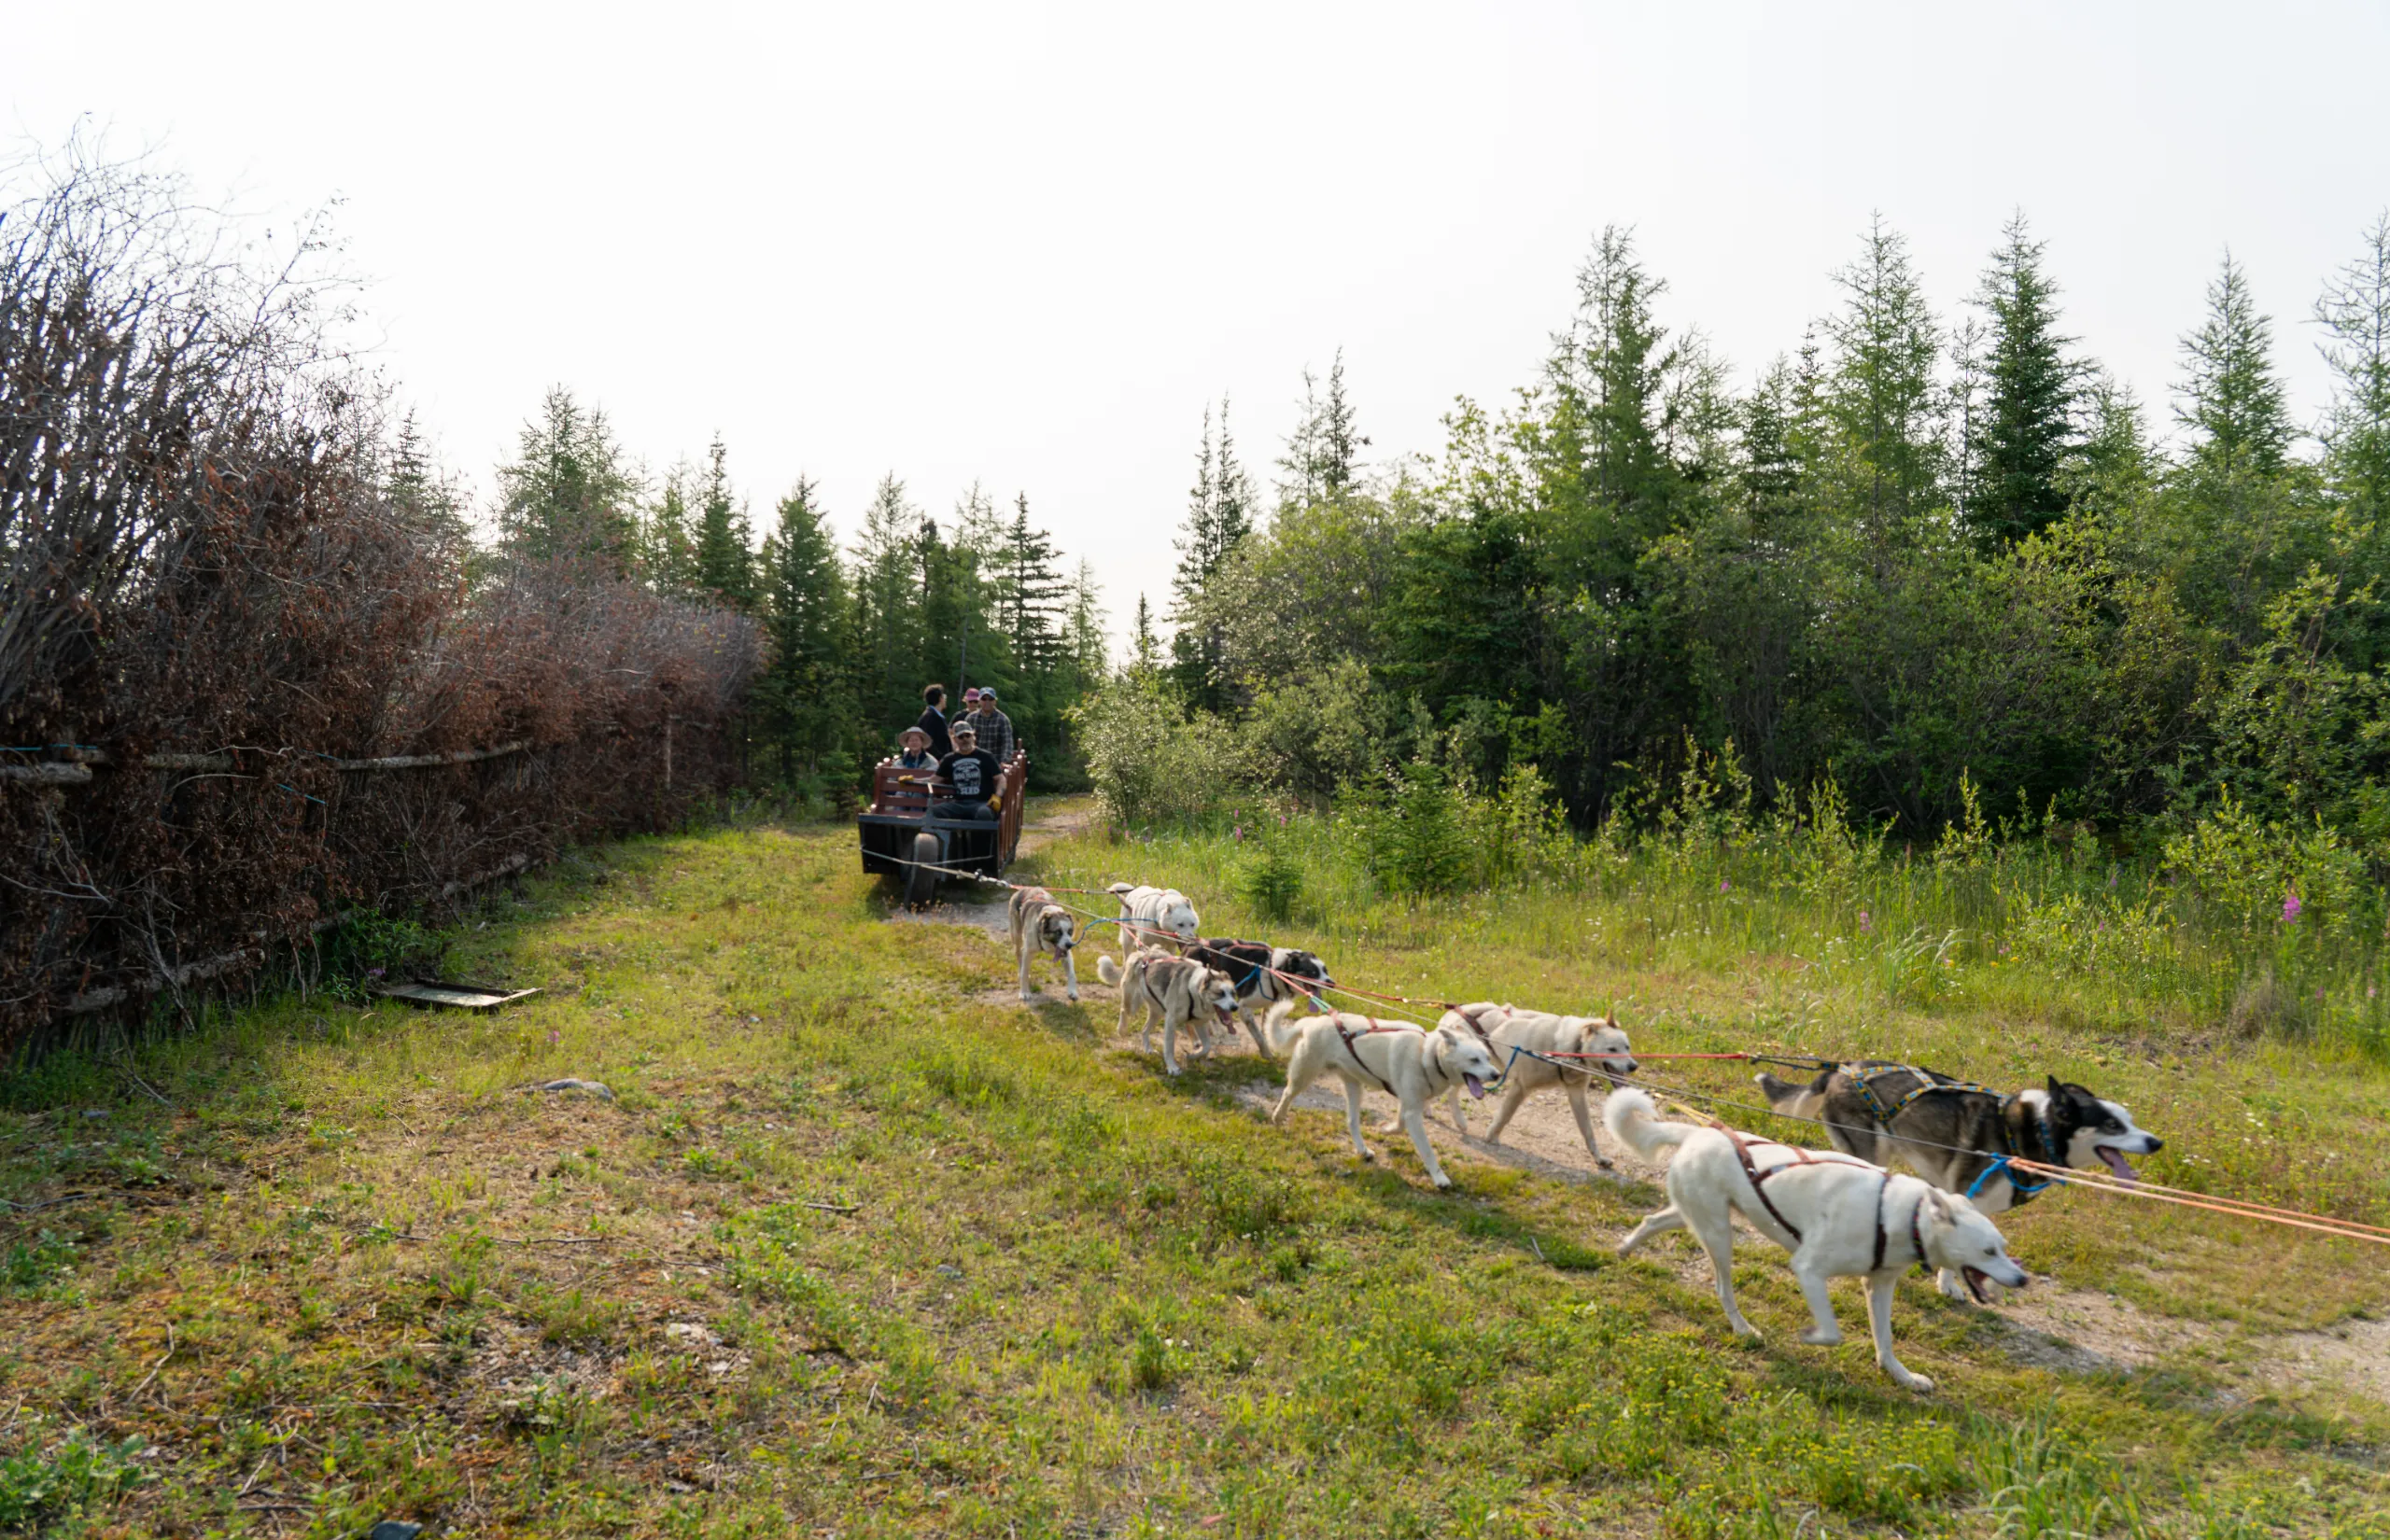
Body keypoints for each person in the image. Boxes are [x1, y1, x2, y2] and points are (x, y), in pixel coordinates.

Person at [913, 720, 999, 821]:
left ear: (973, 736)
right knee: (933, 812)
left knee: (984, 813)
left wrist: (997, 797)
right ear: (955, 739)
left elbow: (1001, 779)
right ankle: (944, 837)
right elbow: (934, 780)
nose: (965, 739)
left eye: (968, 735)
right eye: (960, 737)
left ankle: (978, 838)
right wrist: (912, 781)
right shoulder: (949, 759)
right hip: (959, 804)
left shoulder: (986, 756)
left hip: (981, 803)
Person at [969, 687, 1015, 766]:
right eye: (984, 699)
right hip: (974, 762)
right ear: (979, 701)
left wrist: (1004, 761)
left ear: (995, 701)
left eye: (990, 699)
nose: (987, 702)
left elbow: (1008, 743)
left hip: (995, 765)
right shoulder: (971, 718)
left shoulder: (1003, 720)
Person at [913, 683, 952, 758]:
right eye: (943, 695)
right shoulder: (930, 716)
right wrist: (940, 758)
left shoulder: (935, 716)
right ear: (940, 698)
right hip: (933, 763)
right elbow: (927, 741)